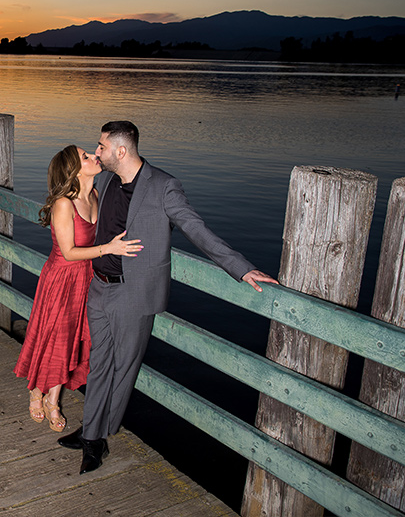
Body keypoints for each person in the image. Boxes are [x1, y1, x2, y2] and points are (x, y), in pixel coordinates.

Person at [57, 121, 278, 474]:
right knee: (99, 365)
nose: (97, 151)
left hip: (134, 292)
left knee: (122, 368)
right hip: (98, 287)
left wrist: (241, 267)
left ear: (121, 151)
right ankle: (90, 428)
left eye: (101, 146)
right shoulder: (109, 181)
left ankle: (99, 438)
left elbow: (196, 229)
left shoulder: (164, 187)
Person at [14, 145, 142, 432]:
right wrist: (108, 248)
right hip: (62, 279)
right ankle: (42, 394)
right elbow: (69, 252)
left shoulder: (96, 195)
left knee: (75, 339)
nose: (94, 157)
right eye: (86, 157)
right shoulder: (63, 204)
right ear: (73, 170)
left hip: (88, 278)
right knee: (56, 337)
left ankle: (51, 395)